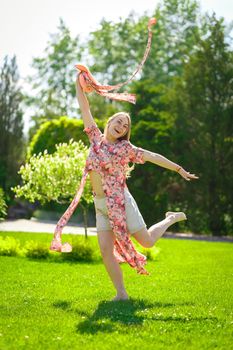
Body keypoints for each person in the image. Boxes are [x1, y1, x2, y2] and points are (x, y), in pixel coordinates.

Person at [51, 73, 199, 301]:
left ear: (125, 132)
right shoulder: (95, 139)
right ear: (109, 122)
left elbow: (151, 156)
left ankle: (170, 218)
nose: (121, 126)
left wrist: (178, 169)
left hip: (120, 202)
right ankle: (121, 294)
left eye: (125, 125)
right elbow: (84, 107)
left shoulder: (125, 148)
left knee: (147, 242)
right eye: (118, 121)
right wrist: (78, 83)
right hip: (101, 205)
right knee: (105, 250)